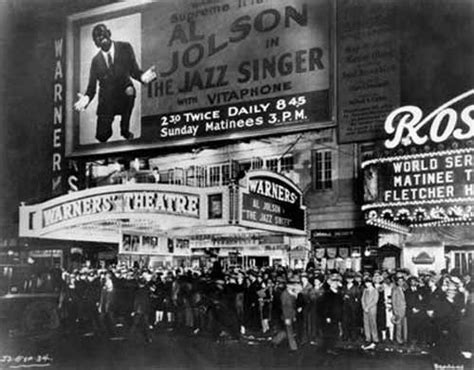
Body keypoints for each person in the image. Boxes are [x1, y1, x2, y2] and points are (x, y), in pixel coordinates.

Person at [74, 23, 157, 143]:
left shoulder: (125, 48)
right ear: (95, 43)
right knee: (102, 136)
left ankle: (125, 129)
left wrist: (143, 77)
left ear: (109, 33)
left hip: (124, 94)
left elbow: (134, 70)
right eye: (97, 36)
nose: (101, 36)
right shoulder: (95, 61)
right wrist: (86, 99)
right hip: (106, 101)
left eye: (102, 32)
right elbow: (91, 87)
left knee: (130, 90)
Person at [318, 273, 343, 355]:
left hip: (337, 316)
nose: (335, 284)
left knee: (335, 332)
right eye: (333, 282)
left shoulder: (338, 293)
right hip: (330, 317)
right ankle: (329, 348)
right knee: (330, 332)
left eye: (336, 282)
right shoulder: (327, 294)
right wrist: (327, 316)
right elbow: (325, 306)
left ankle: (331, 347)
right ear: (330, 284)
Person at [361, 277, 379, 350]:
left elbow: (375, 300)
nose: (367, 284)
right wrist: (364, 307)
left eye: (368, 282)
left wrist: (368, 307)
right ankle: (367, 338)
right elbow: (362, 299)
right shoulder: (365, 290)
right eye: (366, 283)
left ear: (371, 283)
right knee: (366, 324)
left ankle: (375, 338)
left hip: (372, 309)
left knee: (373, 324)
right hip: (365, 310)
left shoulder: (375, 291)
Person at [391, 275, 407, 345]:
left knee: (405, 325)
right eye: (399, 281)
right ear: (397, 282)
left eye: (402, 281)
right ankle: (398, 339)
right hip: (399, 310)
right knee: (399, 326)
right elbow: (393, 301)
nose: (400, 282)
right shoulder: (395, 290)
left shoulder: (405, 289)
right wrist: (395, 311)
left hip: (406, 310)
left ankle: (405, 339)